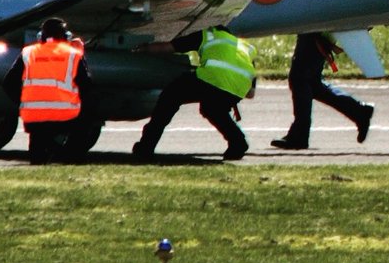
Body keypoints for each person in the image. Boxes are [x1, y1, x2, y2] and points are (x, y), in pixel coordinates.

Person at [132, 25, 258, 161]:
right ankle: (238, 143)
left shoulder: (208, 35)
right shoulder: (245, 47)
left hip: (212, 78)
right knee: (213, 109)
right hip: (239, 88)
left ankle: (146, 146)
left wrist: (141, 49)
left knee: (171, 95)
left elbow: (168, 48)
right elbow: (250, 94)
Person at [2, 17, 91, 164]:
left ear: (41, 36)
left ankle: (40, 157)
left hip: (35, 117)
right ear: (65, 36)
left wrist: (23, 103)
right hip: (66, 115)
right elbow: (87, 84)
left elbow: (8, 83)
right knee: (86, 119)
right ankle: (73, 156)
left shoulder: (28, 53)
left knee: (37, 151)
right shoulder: (73, 54)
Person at [271, 32, 374, 150]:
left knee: (300, 79)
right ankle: (359, 111)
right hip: (318, 32)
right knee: (312, 83)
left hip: (314, 30)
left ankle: (300, 135)